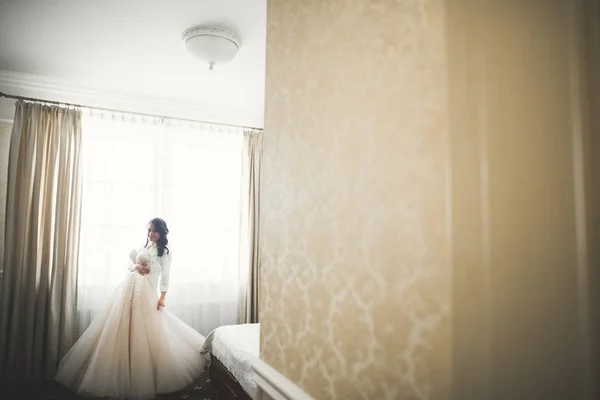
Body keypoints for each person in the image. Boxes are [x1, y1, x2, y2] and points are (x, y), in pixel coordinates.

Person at [54, 218, 206, 400]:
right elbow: (130, 263)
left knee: (144, 332)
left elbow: (165, 276)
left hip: (146, 293)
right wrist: (135, 266)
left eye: (155, 231)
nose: (151, 234)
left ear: (162, 232)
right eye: (149, 230)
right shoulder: (144, 246)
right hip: (128, 289)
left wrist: (163, 296)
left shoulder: (164, 252)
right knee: (119, 329)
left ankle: (140, 376)